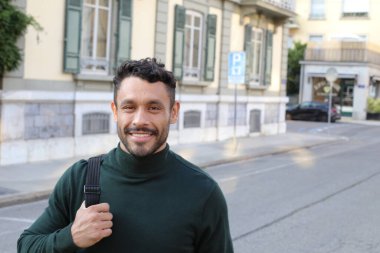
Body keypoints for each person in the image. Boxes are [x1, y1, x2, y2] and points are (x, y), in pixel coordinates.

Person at [17, 58, 234, 253]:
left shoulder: (203, 192)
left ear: (174, 112)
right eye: (129, 107)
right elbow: (27, 245)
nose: (140, 120)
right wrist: (70, 237)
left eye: (154, 108)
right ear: (115, 111)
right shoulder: (80, 178)